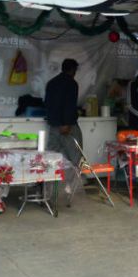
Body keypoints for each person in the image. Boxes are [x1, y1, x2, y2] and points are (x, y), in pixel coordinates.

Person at [44, 58, 83, 196]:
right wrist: (65, 123)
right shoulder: (71, 83)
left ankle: (48, 188)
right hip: (67, 126)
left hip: (53, 125)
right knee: (76, 155)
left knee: (51, 156)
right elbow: (69, 105)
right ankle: (71, 187)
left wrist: (54, 121)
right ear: (73, 70)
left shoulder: (51, 83)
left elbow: (47, 104)